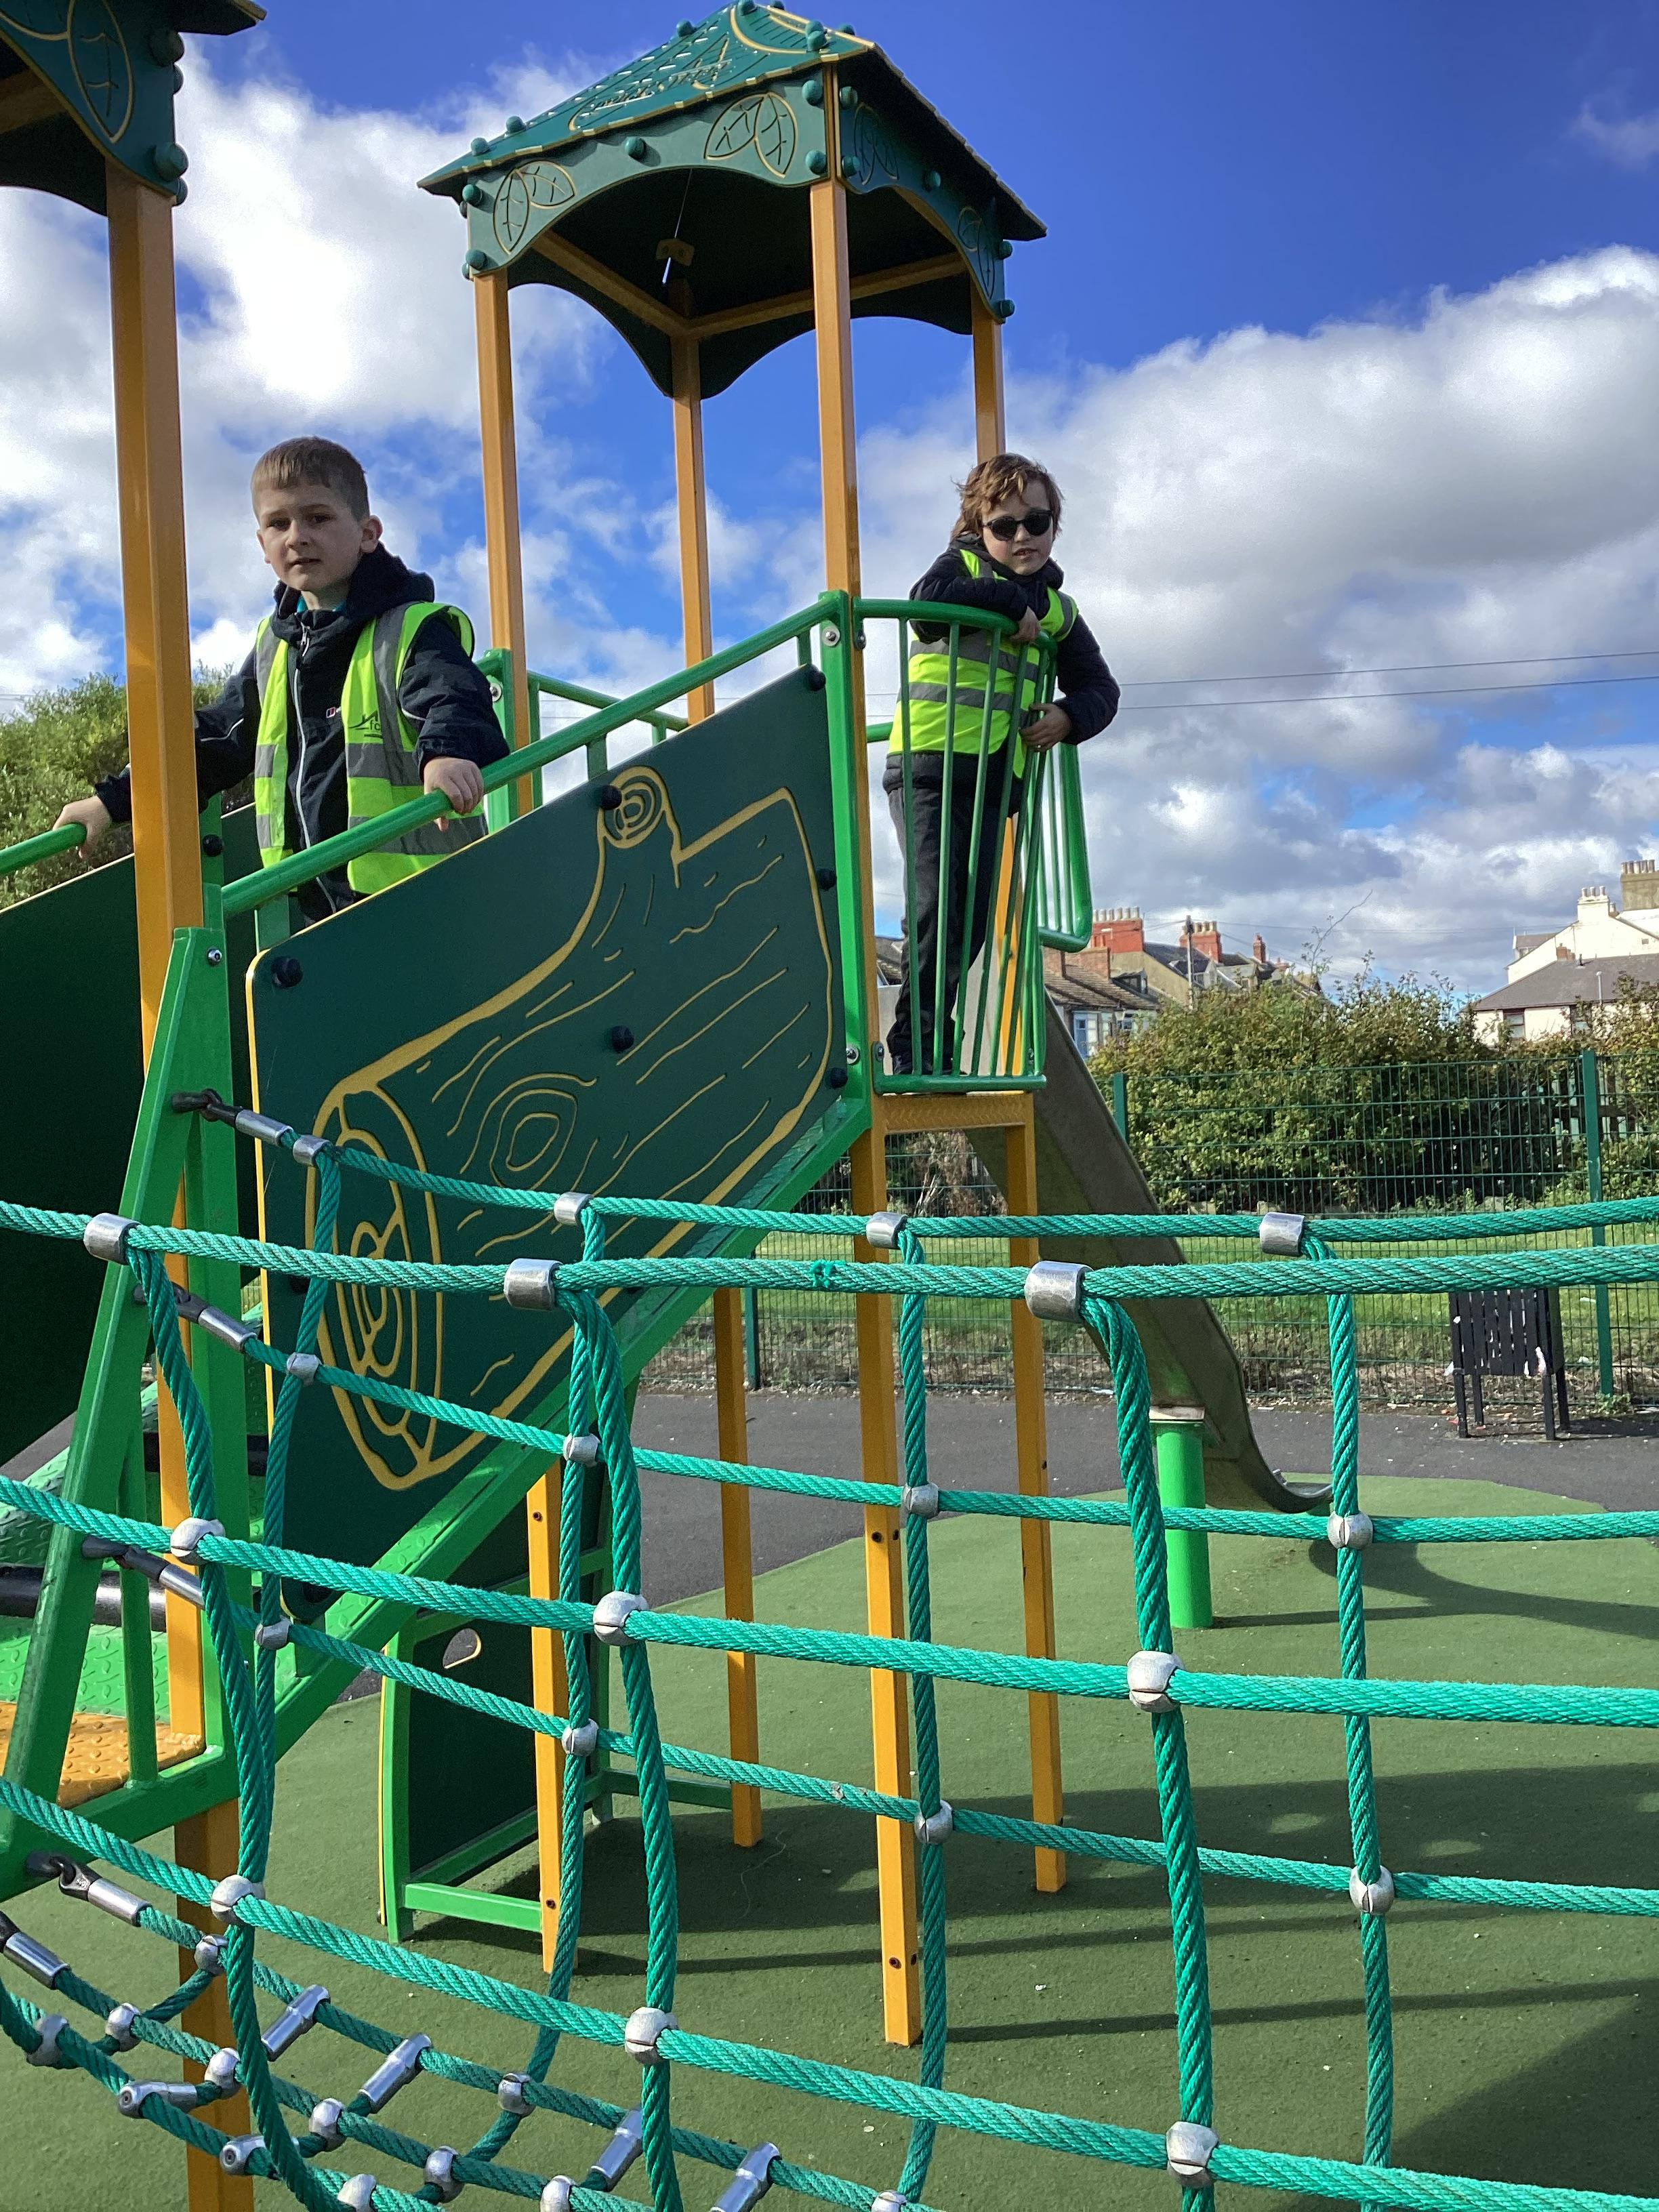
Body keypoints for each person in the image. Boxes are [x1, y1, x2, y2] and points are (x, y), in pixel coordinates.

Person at [56, 436, 507, 924]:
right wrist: (112, 800)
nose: (297, 537)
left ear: (368, 534)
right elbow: (217, 739)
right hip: (317, 903)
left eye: (318, 518)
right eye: (278, 523)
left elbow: (452, 696)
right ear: (262, 545)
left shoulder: (410, 628)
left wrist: (446, 755)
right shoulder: (276, 648)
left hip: (429, 898)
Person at [883, 452, 1120, 1076]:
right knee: (937, 903)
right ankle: (915, 1048)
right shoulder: (959, 567)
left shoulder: (1061, 610)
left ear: (1054, 527)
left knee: (971, 923)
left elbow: (1102, 689)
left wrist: (1068, 716)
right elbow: (926, 603)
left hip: (994, 781)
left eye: (1036, 523)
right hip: (928, 767)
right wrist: (1008, 604)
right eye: (1004, 525)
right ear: (976, 528)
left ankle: (935, 1043)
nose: (1022, 536)